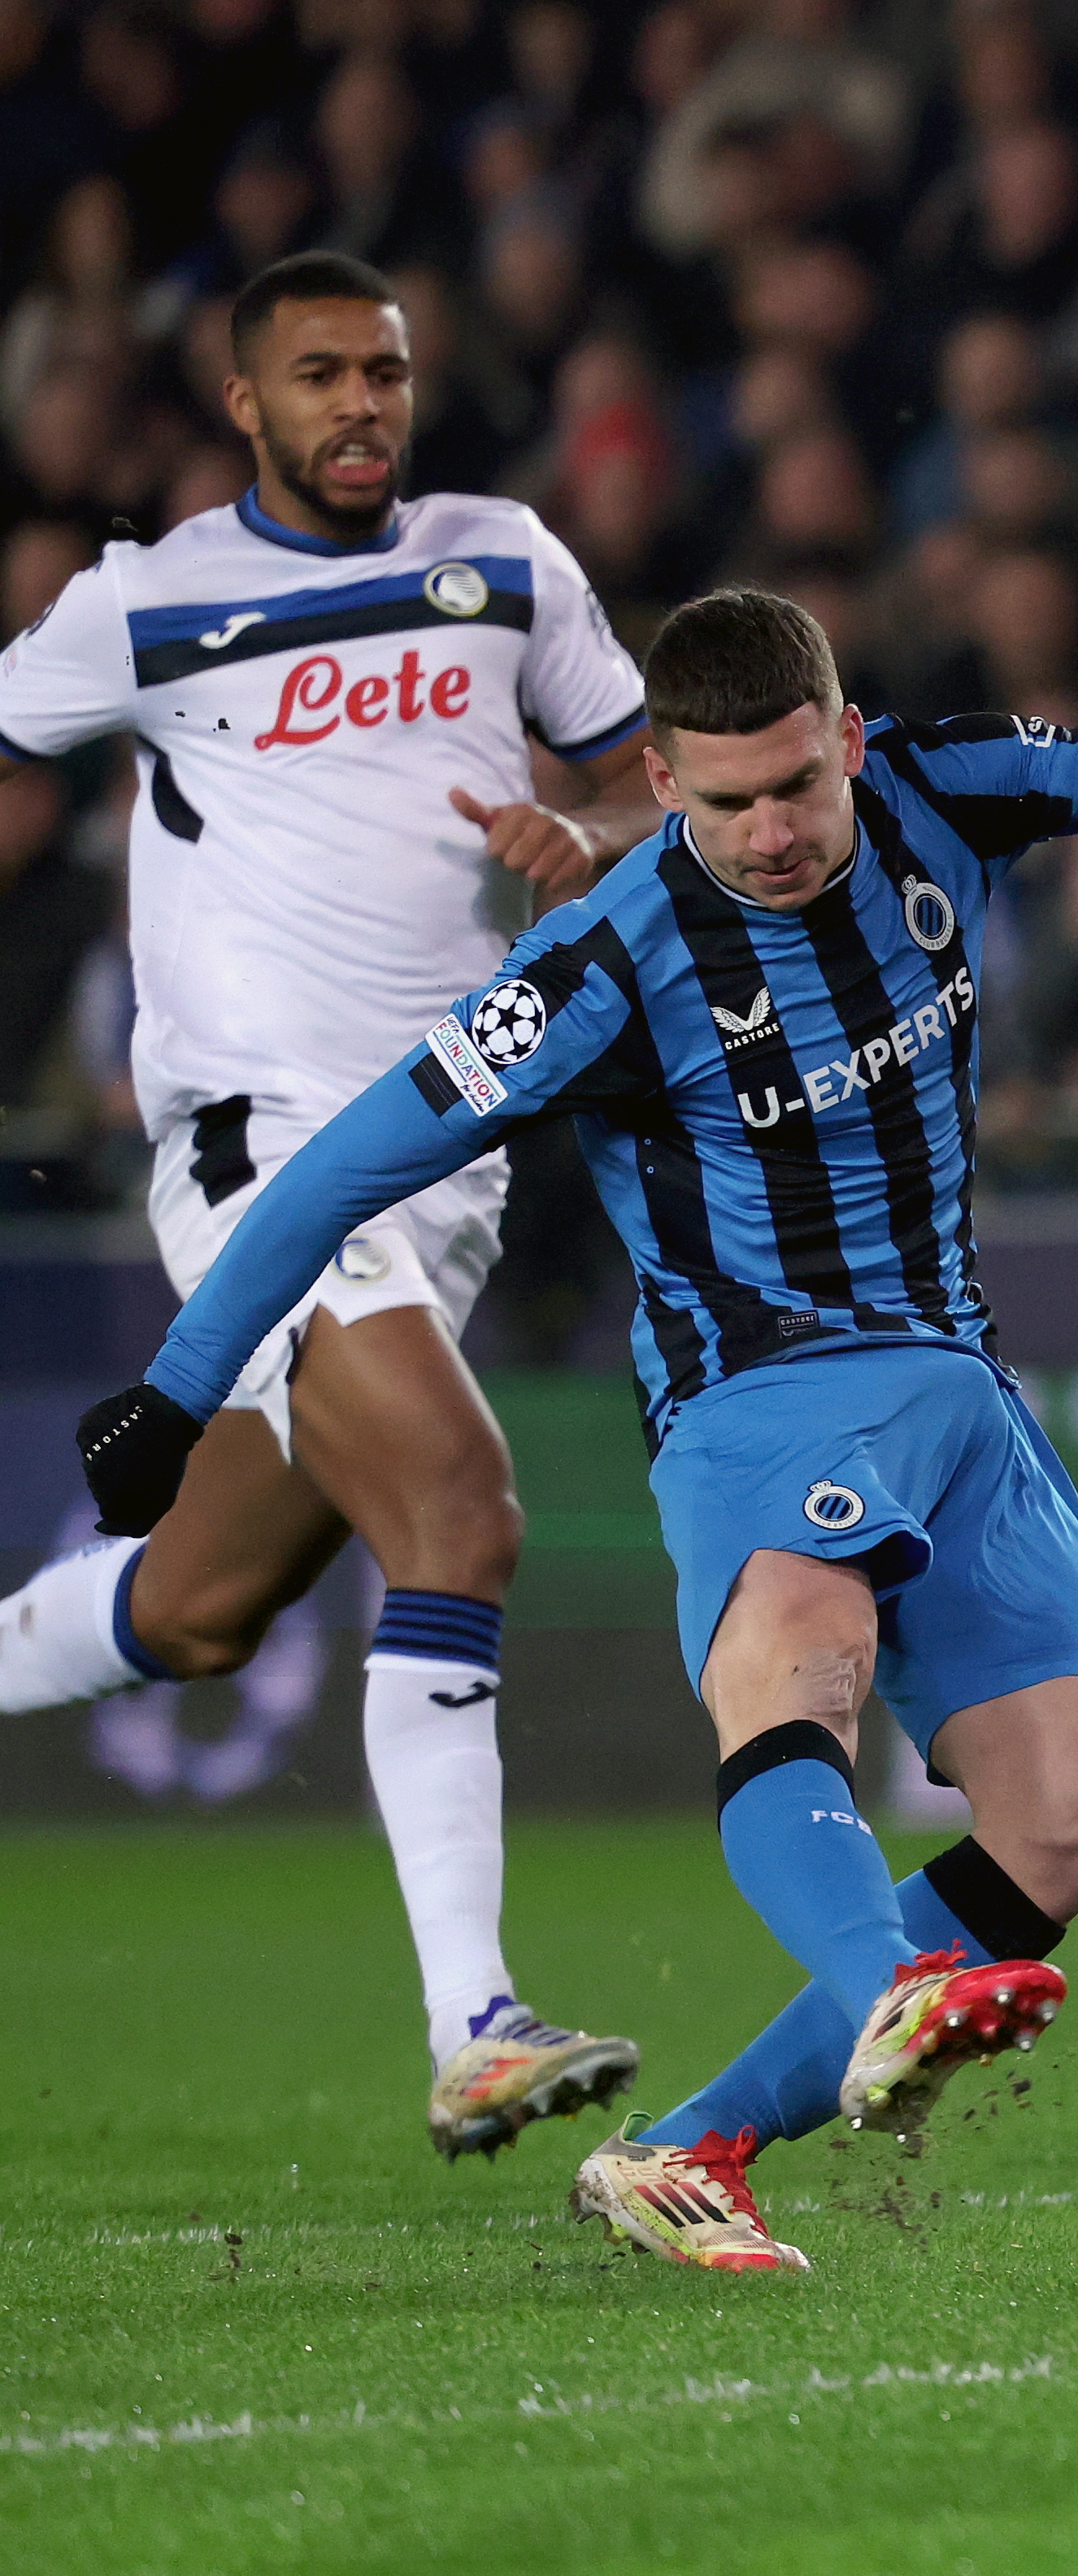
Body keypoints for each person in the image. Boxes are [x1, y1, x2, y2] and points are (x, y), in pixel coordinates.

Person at [74, 588, 1078, 2272]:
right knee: (798, 1666)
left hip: (959, 1383)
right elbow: (345, 1161)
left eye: (798, 786)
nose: (771, 833)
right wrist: (181, 1391)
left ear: (849, 740)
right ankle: (893, 1992)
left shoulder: (944, 789)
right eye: (724, 802)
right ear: (657, 775)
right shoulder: (603, 964)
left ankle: (687, 2147)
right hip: (758, 1391)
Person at [0, 251, 661, 2161]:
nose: (361, 404)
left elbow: (658, 806)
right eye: (319, 376)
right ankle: (474, 2021)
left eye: (382, 371)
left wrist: (582, 838)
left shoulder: (508, 560)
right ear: (245, 405)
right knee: (461, 1509)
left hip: (453, 1160)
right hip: (265, 1143)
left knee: (201, 1612)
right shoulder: (146, 606)